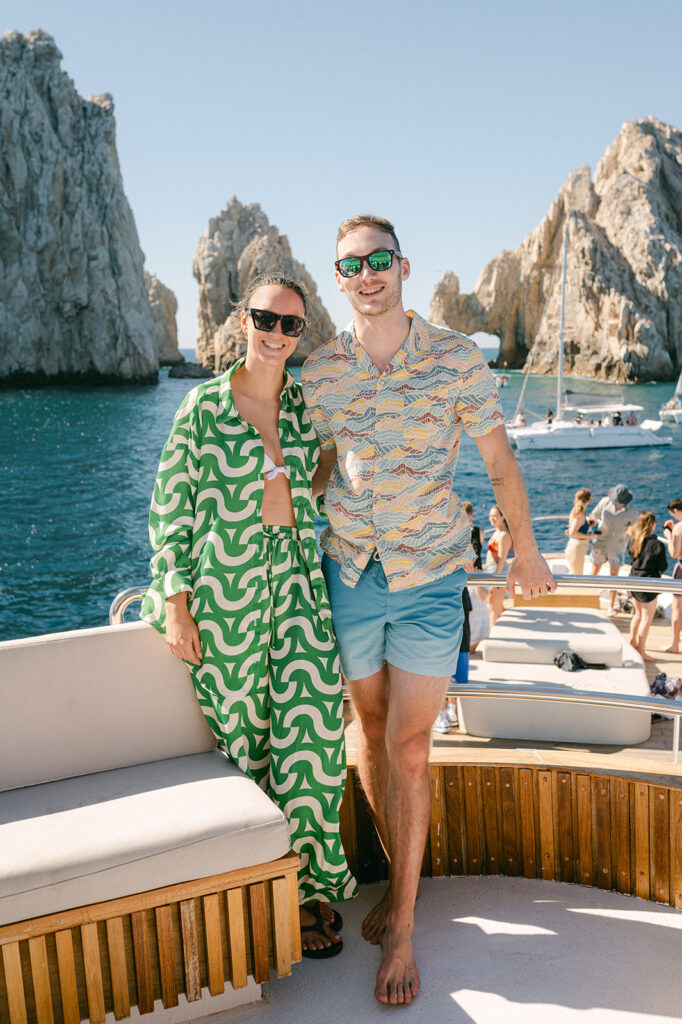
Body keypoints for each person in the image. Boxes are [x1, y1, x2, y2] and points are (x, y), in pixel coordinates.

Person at [302, 214, 555, 1006]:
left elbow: (498, 461)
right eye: (351, 265)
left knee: (410, 748)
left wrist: (528, 551)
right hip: (349, 572)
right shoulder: (320, 371)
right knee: (369, 736)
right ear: (337, 279)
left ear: (403, 266)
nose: (367, 274)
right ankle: (397, 884)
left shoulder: (453, 358)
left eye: (379, 260)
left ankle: (405, 920)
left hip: (428, 577)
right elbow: (313, 468)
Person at [140, 273, 356, 959]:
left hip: (296, 586)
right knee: (246, 746)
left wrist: (317, 496)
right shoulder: (203, 408)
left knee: (316, 743)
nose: (278, 334)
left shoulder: (302, 408)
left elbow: (332, 458)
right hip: (226, 596)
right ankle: (269, 896)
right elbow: (170, 509)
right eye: (267, 319)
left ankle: (313, 887)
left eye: (292, 325)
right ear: (243, 321)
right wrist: (176, 602)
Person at [588, 484, 637, 616]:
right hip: (600, 543)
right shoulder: (604, 502)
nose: (618, 504)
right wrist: (589, 522)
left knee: (614, 577)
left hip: (617, 547)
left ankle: (611, 606)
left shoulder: (632, 511)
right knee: (594, 572)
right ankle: (588, 601)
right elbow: (594, 515)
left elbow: (634, 530)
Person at [627, 513, 668, 661]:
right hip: (648, 584)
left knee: (637, 615)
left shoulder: (633, 539)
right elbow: (663, 566)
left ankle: (633, 642)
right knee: (646, 618)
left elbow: (632, 559)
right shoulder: (657, 544)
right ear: (653, 524)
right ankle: (641, 652)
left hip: (633, 580)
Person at [433, 587, 472, 734]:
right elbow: (469, 611)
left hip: (444, 636)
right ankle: (450, 711)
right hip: (463, 636)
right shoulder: (462, 586)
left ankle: (443, 714)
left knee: (441, 675)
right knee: (452, 676)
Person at [485, 504, 513, 627]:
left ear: (502, 517)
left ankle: (491, 634)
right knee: (496, 607)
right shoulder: (497, 531)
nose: (492, 518)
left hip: (498, 571)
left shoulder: (503, 535)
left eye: (495, 516)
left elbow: (502, 559)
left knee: (493, 607)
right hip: (493, 570)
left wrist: (495, 581)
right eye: (490, 516)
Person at [663, 498, 682, 653]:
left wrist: (669, 536)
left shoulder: (678, 528)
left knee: (677, 608)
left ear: (675, 511)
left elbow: (674, 552)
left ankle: (675, 644)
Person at [564, 487, 592, 574]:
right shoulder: (580, 515)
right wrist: (589, 536)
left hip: (574, 547)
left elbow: (573, 528)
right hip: (577, 549)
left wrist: (587, 524)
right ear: (588, 500)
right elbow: (572, 532)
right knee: (577, 575)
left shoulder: (575, 511)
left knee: (575, 573)